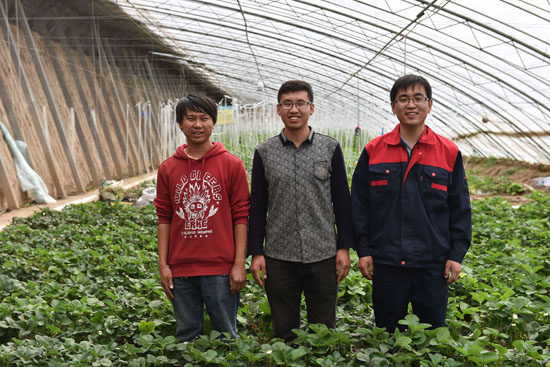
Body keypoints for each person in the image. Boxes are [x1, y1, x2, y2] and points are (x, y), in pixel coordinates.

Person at [351, 75, 472, 331]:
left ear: (430, 104)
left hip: (432, 264)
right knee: (386, 335)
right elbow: (360, 205)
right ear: (393, 106)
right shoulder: (374, 150)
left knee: (430, 336)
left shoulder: (448, 151)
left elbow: (460, 209)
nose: (411, 105)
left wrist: (456, 255)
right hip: (386, 262)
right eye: (403, 99)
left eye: (418, 98)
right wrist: (363, 250)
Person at [248, 80, 354, 341]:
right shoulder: (265, 152)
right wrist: (256, 252)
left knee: (323, 329)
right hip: (279, 254)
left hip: (323, 252)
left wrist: (344, 246)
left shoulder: (329, 148)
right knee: (285, 330)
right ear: (278, 109)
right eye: (287, 104)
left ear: (311, 108)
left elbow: (341, 200)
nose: (294, 109)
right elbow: (258, 206)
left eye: (300, 103)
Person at [154, 94, 250, 342]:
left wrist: (239, 263)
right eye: (191, 119)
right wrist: (164, 265)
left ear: (213, 123)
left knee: (226, 336)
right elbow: (164, 218)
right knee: (186, 336)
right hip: (180, 269)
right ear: (180, 124)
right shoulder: (168, 168)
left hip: (220, 269)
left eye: (204, 118)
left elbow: (241, 216)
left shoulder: (232, 165)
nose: (198, 125)